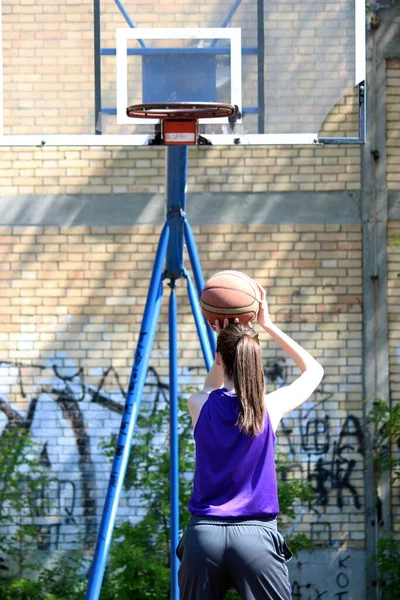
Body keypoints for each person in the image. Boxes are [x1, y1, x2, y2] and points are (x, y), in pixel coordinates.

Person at [176, 283, 324, 600]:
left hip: (204, 537)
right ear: (254, 361)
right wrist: (266, 325)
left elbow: (211, 385)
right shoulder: (269, 407)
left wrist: (222, 337)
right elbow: (314, 370)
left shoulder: (199, 404)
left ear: (218, 359)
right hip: (256, 538)